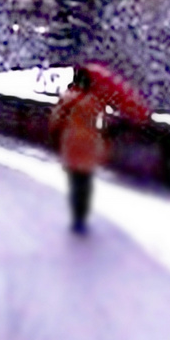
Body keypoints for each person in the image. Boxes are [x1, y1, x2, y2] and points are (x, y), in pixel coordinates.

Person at [49, 65, 108, 234]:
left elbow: (56, 120)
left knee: (74, 179)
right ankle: (83, 213)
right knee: (86, 179)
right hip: (90, 142)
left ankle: (76, 216)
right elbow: (103, 123)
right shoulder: (96, 100)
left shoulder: (68, 98)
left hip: (72, 140)